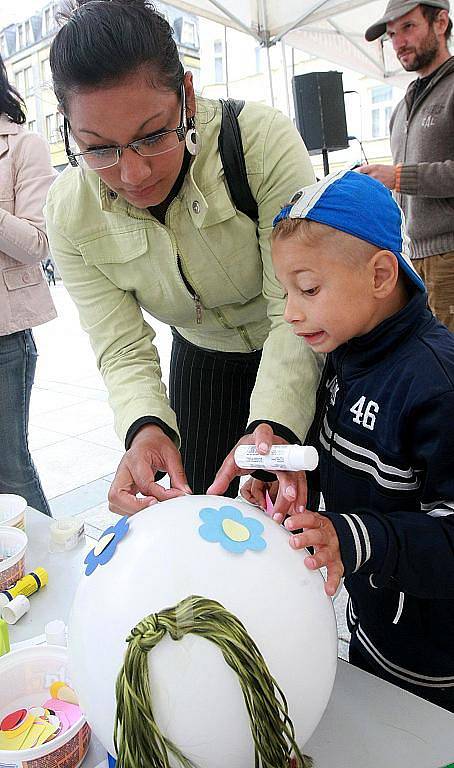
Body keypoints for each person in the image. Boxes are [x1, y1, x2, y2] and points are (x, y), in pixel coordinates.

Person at [45, 0, 320, 516]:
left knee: (320, 527)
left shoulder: (258, 143)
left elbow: (295, 306)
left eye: (152, 135)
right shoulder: (69, 212)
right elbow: (121, 345)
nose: (133, 175)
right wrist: (144, 424)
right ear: (69, 130)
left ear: (187, 96)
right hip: (204, 362)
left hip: (312, 340)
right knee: (207, 522)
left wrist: (276, 423)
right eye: (98, 149)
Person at [243, 169, 454, 712]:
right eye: (286, 291)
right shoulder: (348, 347)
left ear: (381, 274)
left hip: (436, 660)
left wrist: (352, 538)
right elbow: (348, 451)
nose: (290, 311)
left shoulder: (436, 384)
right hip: (371, 622)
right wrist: (290, 476)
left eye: (308, 288)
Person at [359, 0, 454, 331]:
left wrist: (398, 176)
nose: (398, 42)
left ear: (441, 22)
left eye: (409, 27)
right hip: (415, 259)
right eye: (392, 34)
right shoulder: (400, 109)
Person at [0, 53, 57, 516]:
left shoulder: (23, 144)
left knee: (10, 464)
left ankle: (49, 568)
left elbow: (38, 244)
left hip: (5, 336)